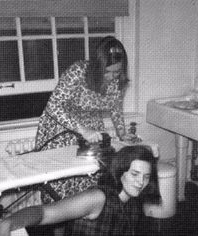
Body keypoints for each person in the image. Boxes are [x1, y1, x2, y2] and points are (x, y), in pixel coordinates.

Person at [34, 36, 130, 205]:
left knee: (90, 180)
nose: (112, 77)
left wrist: (123, 134)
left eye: (117, 72)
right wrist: (83, 130)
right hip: (61, 127)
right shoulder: (78, 71)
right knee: (61, 186)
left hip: (91, 129)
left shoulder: (116, 82)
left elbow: (115, 109)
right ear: (97, 66)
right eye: (107, 71)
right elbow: (54, 105)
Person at [0, 145, 161, 236]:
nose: (141, 182)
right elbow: (43, 213)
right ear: (120, 171)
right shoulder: (98, 198)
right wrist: (7, 223)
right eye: (135, 174)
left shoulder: (132, 202)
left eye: (146, 176)